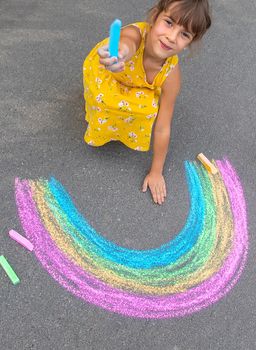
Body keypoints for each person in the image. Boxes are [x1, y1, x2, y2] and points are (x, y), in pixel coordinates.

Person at [83, 0, 211, 205]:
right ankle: (99, 118)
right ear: (154, 16)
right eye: (169, 22)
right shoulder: (136, 34)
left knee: (148, 109)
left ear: (190, 42)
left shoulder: (171, 76)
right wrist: (120, 54)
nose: (171, 37)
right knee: (102, 99)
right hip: (107, 74)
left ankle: (120, 123)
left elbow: (162, 127)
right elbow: (127, 43)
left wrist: (156, 171)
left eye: (184, 34)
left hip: (136, 86)